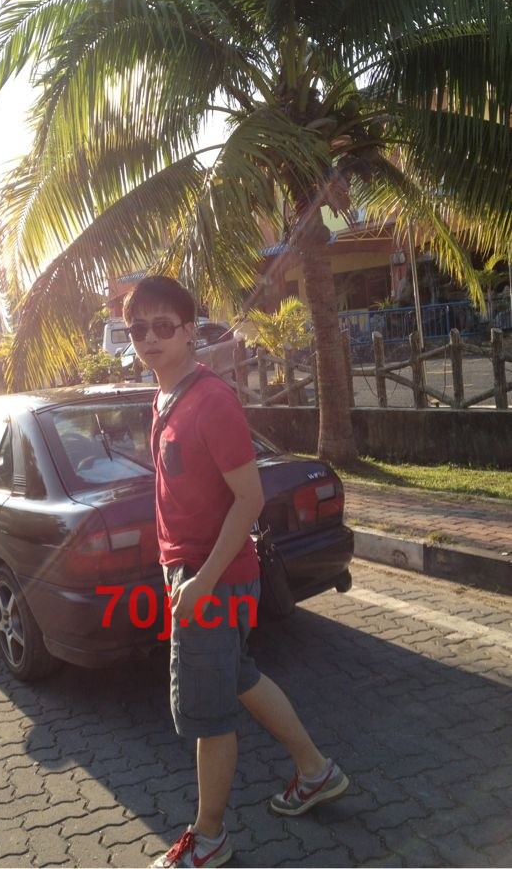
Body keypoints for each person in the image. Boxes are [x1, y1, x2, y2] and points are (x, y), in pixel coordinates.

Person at [122, 276, 349, 869]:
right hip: (194, 574)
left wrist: (199, 584)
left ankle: (209, 837)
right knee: (239, 676)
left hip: (213, 578)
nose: (150, 339)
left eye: (163, 326)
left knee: (207, 712)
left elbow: (249, 499)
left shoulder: (211, 401)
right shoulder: (164, 398)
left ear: (189, 331)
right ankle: (315, 772)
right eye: (138, 329)